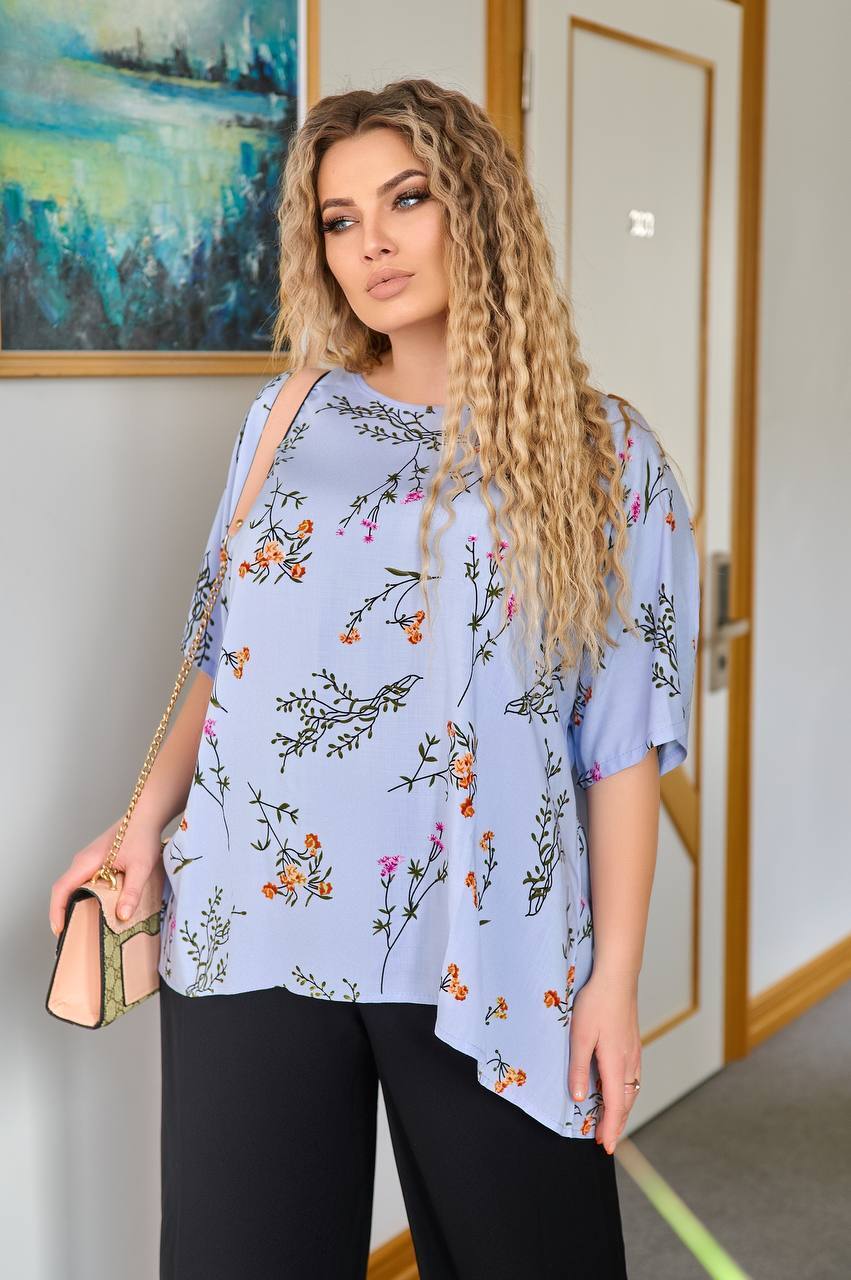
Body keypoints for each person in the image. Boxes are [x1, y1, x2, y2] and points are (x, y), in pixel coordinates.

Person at [49, 78, 700, 1279]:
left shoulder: (605, 452)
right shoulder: (287, 414)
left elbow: (617, 744)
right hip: (252, 920)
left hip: (487, 941)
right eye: (338, 220)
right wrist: (140, 823)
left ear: (477, 211)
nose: (371, 244)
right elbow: (223, 650)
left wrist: (611, 979)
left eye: (405, 200)